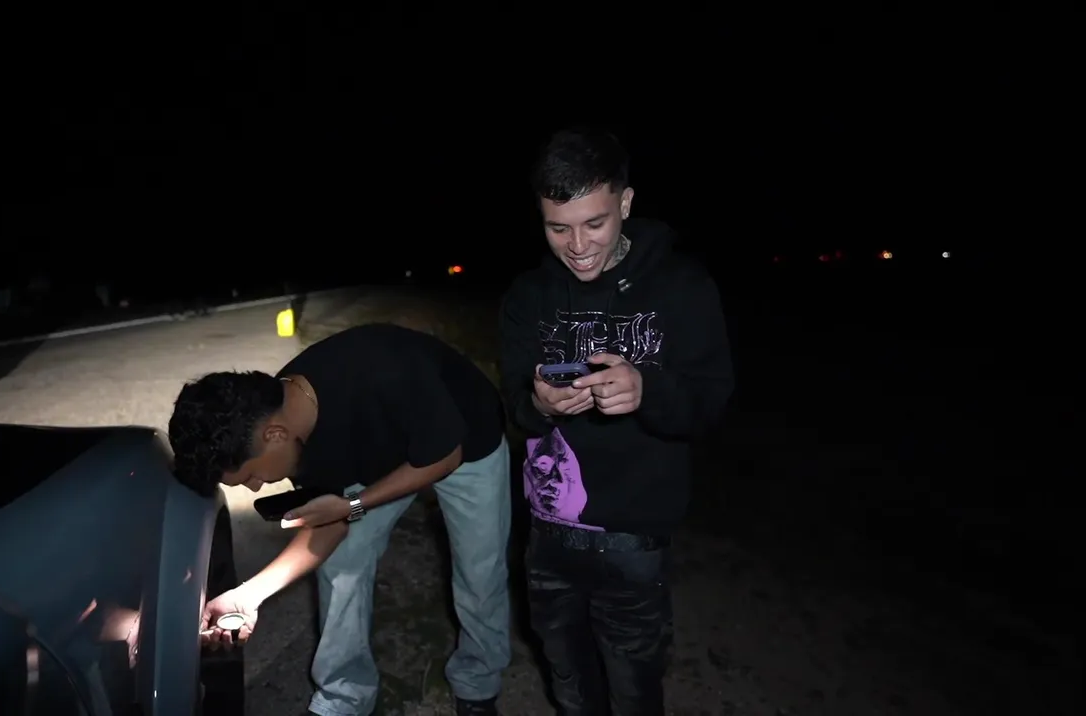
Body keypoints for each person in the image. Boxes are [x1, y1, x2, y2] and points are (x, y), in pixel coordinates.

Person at [499, 127, 735, 716]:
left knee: (634, 693)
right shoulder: (527, 295)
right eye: (558, 228)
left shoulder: (682, 287)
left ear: (625, 204)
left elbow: (710, 404)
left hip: (634, 541)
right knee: (569, 685)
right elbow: (514, 408)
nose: (577, 245)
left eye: (594, 223)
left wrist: (647, 390)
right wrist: (539, 406)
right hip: (547, 534)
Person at [167, 323, 512, 716]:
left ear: (275, 434)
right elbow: (328, 527)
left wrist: (353, 504)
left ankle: (478, 682)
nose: (257, 486)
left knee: (480, 571)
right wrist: (248, 595)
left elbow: (443, 457)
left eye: (250, 475)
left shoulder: (383, 369)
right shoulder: (284, 429)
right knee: (342, 562)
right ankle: (344, 695)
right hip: (378, 459)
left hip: (464, 442)